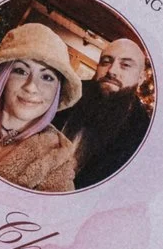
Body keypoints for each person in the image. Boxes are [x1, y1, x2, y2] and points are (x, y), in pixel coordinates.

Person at [0, 21, 83, 193]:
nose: (31, 87)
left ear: (56, 92)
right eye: (21, 71)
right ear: (2, 77)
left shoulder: (57, 157)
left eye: (47, 77)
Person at [57, 36, 153, 188]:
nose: (112, 71)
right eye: (106, 61)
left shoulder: (143, 133)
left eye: (126, 65)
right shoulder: (69, 93)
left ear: (140, 78)